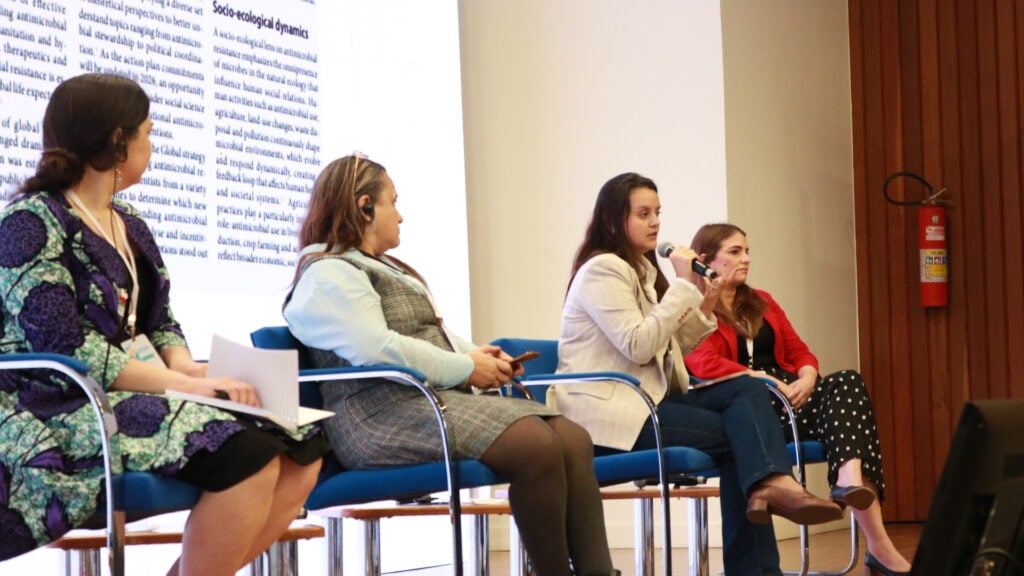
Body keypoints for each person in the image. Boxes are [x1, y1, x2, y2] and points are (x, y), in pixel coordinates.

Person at [0, 73, 327, 576]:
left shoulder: (127, 220)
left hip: (136, 390)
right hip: (58, 402)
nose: (151, 146)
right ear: (117, 141)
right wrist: (183, 384)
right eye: (147, 133)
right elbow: (66, 347)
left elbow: (160, 320)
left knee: (304, 452)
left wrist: (191, 373)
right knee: (247, 454)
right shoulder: (30, 220)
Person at [282, 153, 616, 576]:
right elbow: (376, 347)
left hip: (423, 401)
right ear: (366, 207)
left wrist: (477, 356)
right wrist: (464, 368)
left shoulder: (378, 268)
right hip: (378, 416)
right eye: (392, 203)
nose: (400, 216)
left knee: (571, 437)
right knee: (536, 445)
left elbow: (429, 332)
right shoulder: (328, 273)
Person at [554, 172, 843, 575]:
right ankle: (767, 522)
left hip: (651, 400)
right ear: (613, 220)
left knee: (746, 388)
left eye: (657, 212)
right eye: (643, 213)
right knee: (745, 442)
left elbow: (670, 348)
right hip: (612, 415)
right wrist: (683, 287)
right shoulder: (603, 269)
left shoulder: (638, 269)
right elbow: (637, 344)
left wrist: (702, 303)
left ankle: (771, 489)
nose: (656, 222)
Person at [684, 222, 912, 576]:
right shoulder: (695, 309)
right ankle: (879, 546)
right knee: (848, 424)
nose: (746, 259)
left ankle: (849, 480)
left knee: (849, 382)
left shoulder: (763, 301)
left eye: (747, 250)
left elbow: (798, 350)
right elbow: (701, 363)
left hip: (791, 394)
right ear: (705, 260)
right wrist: (756, 376)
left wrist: (807, 375)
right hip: (749, 407)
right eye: (734, 252)